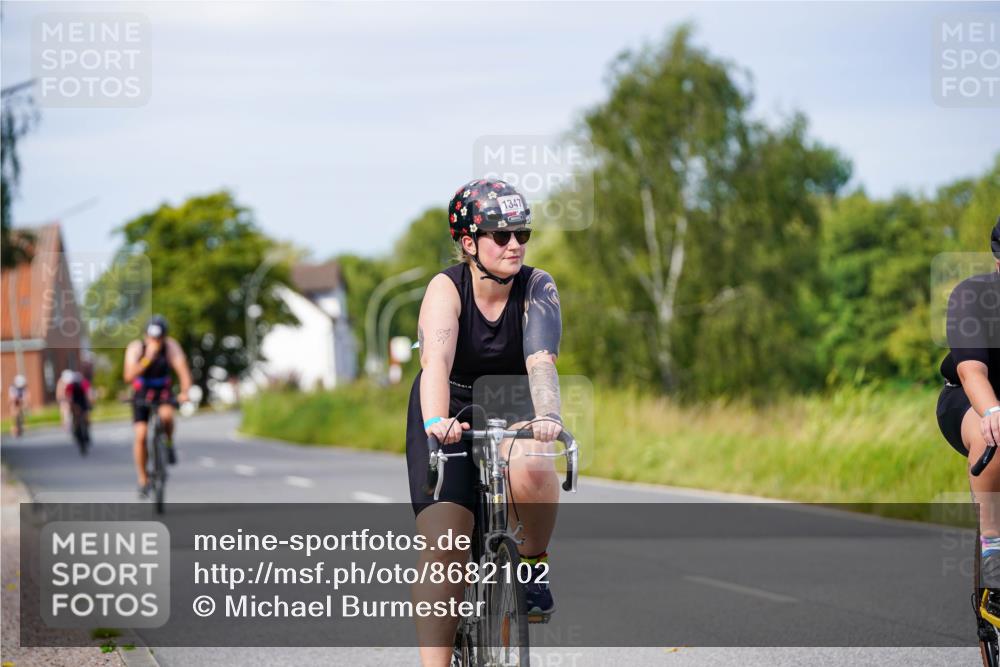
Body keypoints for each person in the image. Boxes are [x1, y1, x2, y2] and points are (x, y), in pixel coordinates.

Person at [405, 179, 565, 666]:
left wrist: (548, 418)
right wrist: (436, 420)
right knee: (447, 549)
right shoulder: (445, 289)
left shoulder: (538, 287)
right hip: (448, 408)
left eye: (522, 234)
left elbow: (540, 361)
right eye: (501, 235)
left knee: (536, 466)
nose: (515, 244)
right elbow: (436, 362)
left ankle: (532, 569)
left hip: (511, 403)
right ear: (470, 243)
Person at [938, 218, 1000, 586]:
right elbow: (972, 372)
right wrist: (993, 410)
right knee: (990, 432)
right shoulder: (972, 296)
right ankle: (993, 547)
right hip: (969, 398)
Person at [123, 315, 192, 497]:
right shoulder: (136, 348)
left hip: (163, 390)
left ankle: (168, 444)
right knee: (141, 435)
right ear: (146, 335)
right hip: (142, 392)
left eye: (159, 338)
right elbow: (129, 376)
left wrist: (185, 392)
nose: (156, 341)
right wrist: (147, 358)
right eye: (152, 337)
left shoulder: (171, 346)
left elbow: (183, 370)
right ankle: (143, 478)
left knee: (167, 417)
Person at [64, 370, 92, 444]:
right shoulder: (72, 385)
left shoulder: (80, 384)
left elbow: (87, 394)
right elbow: (69, 396)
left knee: (83, 417)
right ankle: (78, 431)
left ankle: (84, 431)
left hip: (81, 402)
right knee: (79, 418)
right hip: (77, 402)